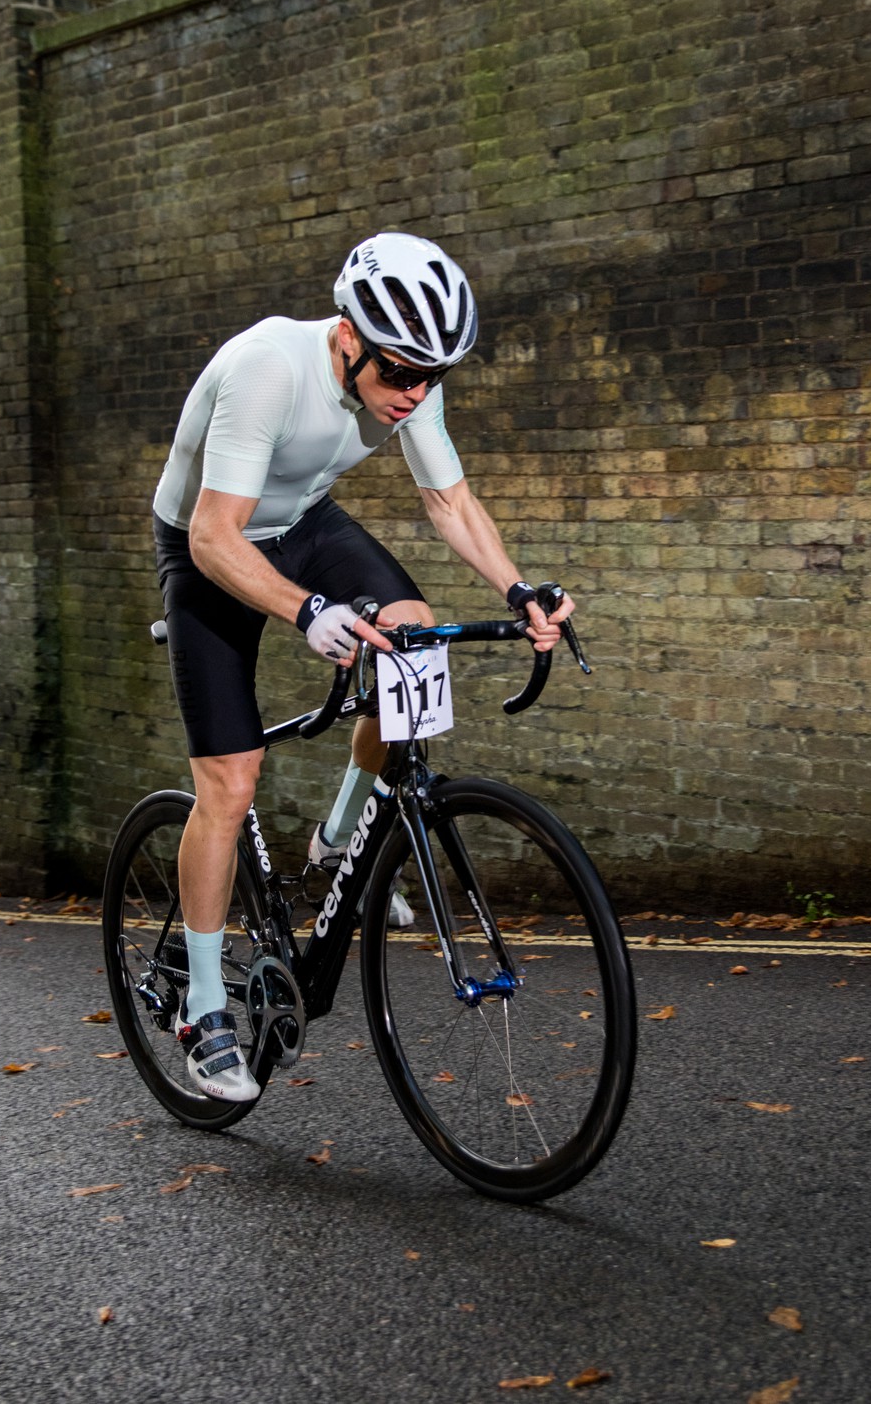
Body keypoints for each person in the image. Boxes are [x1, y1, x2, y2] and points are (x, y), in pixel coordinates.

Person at [152, 232, 575, 1101]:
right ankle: (202, 1007)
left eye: (433, 378)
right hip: (209, 544)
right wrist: (308, 610)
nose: (414, 395)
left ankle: (341, 835)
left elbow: (447, 497)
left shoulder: (408, 381)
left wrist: (519, 587)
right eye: (399, 375)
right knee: (230, 783)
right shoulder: (268, 367)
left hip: (306, 522)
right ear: (349, 340)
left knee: (413, 634)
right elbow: (213, 534)